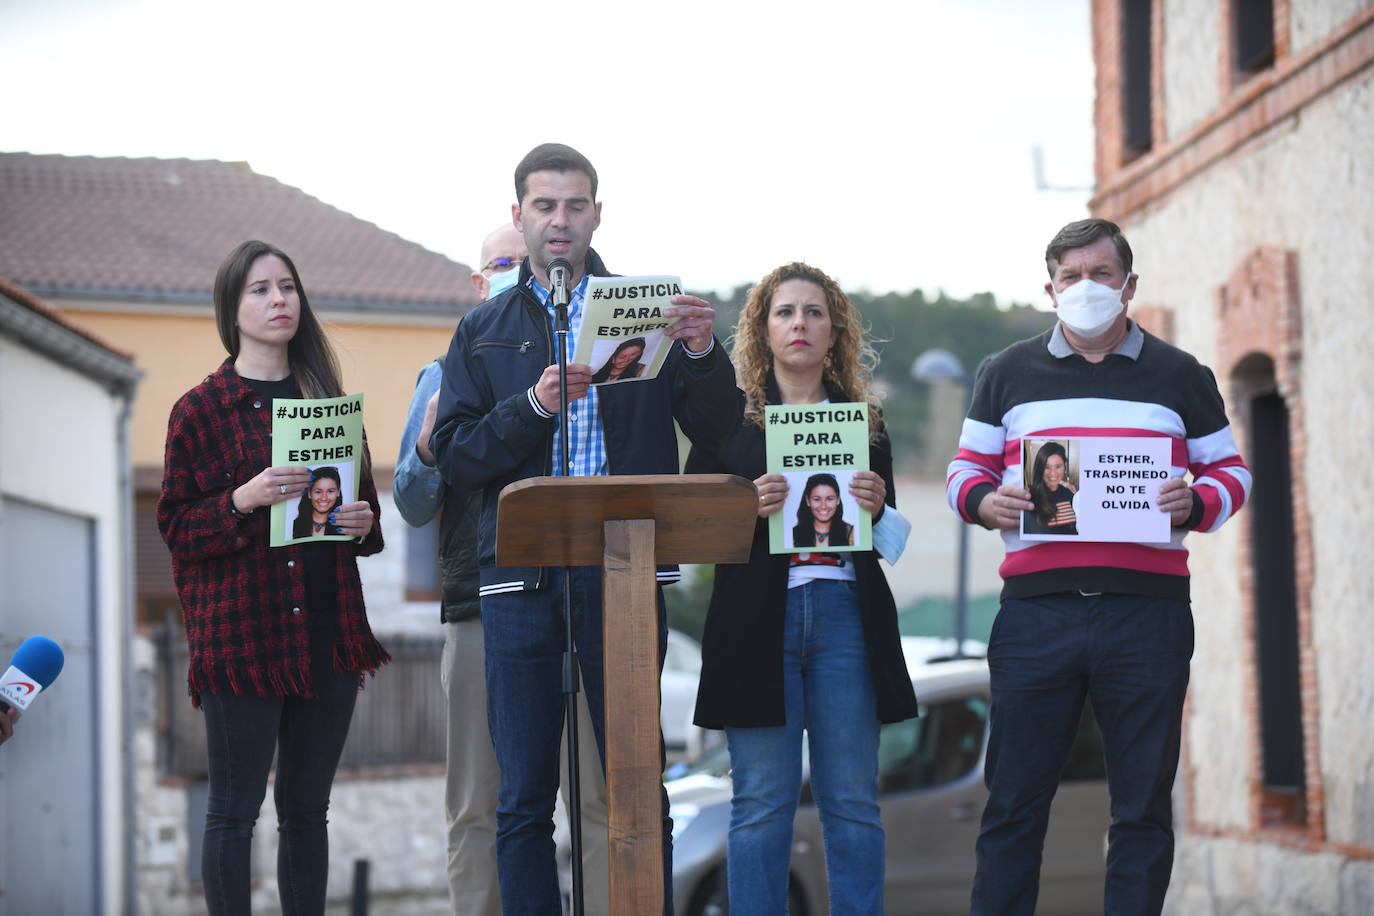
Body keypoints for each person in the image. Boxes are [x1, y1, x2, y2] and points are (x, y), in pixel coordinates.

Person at [430, 142, 740, 914]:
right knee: (523, 796)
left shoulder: (646, 309)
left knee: (638, 784)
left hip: (627, 573)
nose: (559, 221)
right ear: (519, 217)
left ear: (598, 213)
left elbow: (719, 427)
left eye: (574, 206)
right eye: (544, 206)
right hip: (518, 582)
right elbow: (457, 457)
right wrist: (532, 406)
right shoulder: (484, 329)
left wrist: (702, 352)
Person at [944, 218, 1251, 915]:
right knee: (1014, 803)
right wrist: (987, 500)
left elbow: (1232, 472)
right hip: (1035, 614)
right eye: (1071, 277)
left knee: (1142, 807)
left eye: (1101, 274)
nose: (1087, 288)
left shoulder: (1182, 375)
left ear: (1129, 284)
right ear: (1050, 290)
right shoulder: (1004, 373)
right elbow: (966, 469)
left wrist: (1195, 501)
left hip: (1149, 615)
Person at [157, 239, 388, 916]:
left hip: (329, 632)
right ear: (232, 309)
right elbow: (175, 526)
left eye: (286, 287)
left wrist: (361, 522)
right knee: (234, 812)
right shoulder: (199, 410)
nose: (278, 300)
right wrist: (242, 498)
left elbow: (367, 525)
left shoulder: (328, 400)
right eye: (259, 290)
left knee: (306, 811)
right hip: (243, 638)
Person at [393, 222, 611, 916]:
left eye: (524, 261)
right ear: (479, 279)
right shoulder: (443, 370)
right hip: (478, 605)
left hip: (580, 593)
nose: (520, 271)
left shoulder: (589, 352)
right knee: (483, 805)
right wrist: (430, 448)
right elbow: (412, 498)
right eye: (502, 263)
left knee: (599, 794)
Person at [687, 262, 918, 915]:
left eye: (813, 312)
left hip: (848, 615)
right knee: (761, 803)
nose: (800, 323)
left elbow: (888, 539)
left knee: (851, 802)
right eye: (785, 311)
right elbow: (691, 526)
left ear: (833, 329)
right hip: (757, 624)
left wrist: (877, 505)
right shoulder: (729, 424)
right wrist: (741, 506)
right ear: (763, 329)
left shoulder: (865, 423)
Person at [1023, 441, 1077, 535]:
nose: (1053, 473)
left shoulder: (1070, 493)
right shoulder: (1030, 499)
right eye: (1047, 467)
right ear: (1040, 469)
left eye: (1058, 466)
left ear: (1064, 466)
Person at [791, 471, 855, 547]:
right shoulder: (793, 535)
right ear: (808, 501)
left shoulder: (852, 533)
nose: (823, 506)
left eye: (830, 499)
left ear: (838, 500)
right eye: (817, 499)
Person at [291, 465, 345, 539]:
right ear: (309, 493)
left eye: (330, 491)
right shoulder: (293, 526)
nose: (324, 498)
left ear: (338, 492)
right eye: (318, 491)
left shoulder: (345, 527)